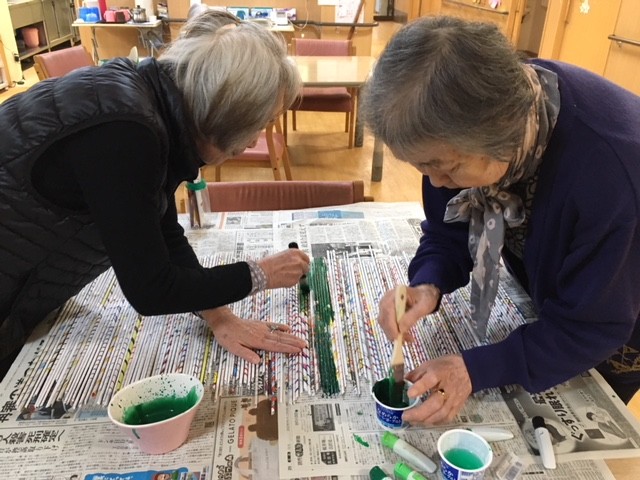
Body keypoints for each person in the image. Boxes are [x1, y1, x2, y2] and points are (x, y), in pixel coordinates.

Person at [0, 10, 309, 380]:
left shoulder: (151, 105)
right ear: (227, 114)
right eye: (259, 124)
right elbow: (151, 289)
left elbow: (164, 232)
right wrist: (261, 274)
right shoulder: (124, 133)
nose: (253, 140)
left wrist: (219, 314)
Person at [362, 16, 640, 425]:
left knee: (590, 406)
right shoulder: (466, 120)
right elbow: (448, 229)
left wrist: (475, 370)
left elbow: (591, 326)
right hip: (574, 284)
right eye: (422, 167)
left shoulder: (610, 177)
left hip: (623, 298)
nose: (436, 182)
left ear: (499, 137)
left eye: (445, 168)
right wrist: (428, 282)